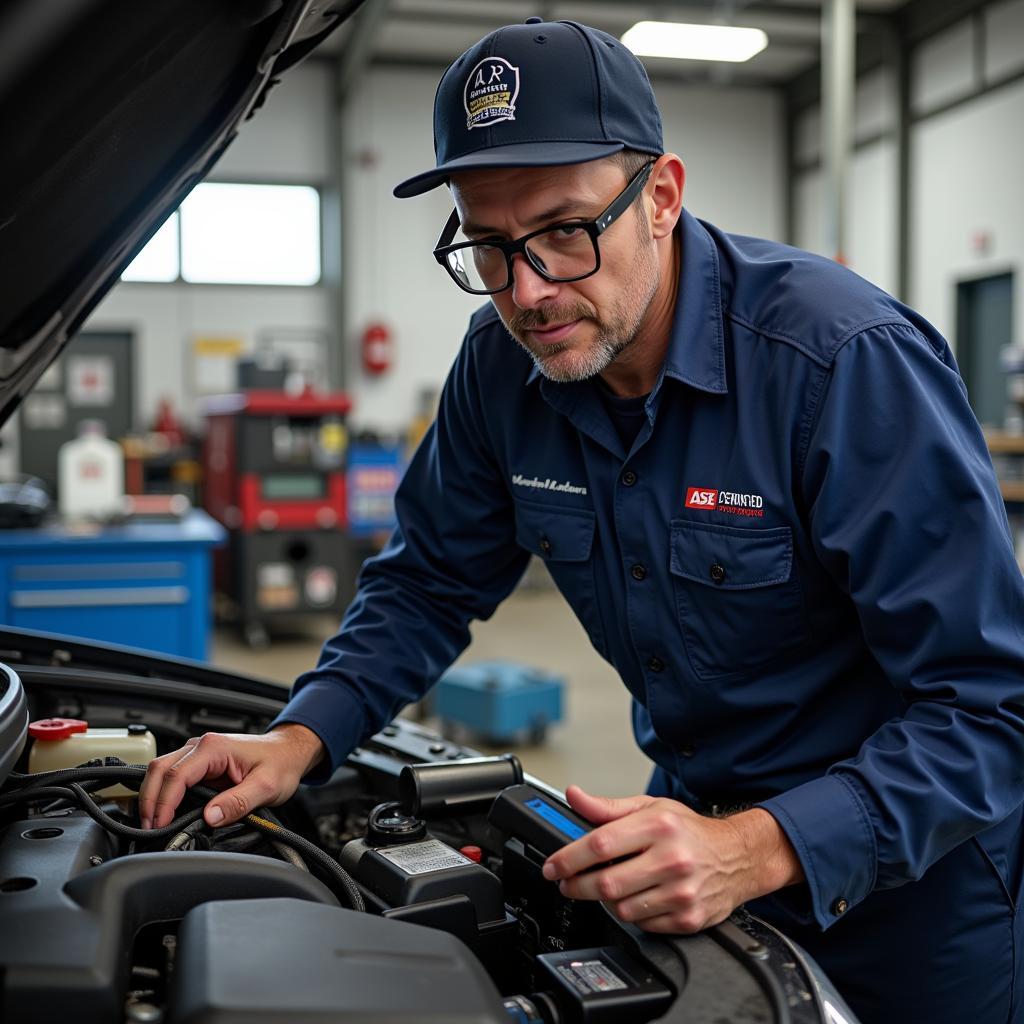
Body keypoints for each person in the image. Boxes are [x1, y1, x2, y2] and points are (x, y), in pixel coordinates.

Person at [140, 18, 1024, 1022]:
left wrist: (757, 845)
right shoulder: (498, 372)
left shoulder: (840, 365)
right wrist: (301, 736)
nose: (528, 290)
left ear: (660, 197)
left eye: (565, 230)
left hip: (907, 899)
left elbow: (989, 708)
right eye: (487, 243)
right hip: (686, 856)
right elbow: (430, 579)